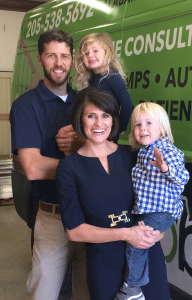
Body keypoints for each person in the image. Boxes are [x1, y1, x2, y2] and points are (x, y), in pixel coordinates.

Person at [56, 87, 171, 300]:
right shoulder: (69, 167)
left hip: (146, 255)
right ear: (80, 120)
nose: (99, 124)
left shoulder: (133, 155)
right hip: (105, 262)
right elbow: (74, 231)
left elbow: (160, 200)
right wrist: (126, 233)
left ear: (113, 120)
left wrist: (158, 232)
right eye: (91, 116)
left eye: (105, 116)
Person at [10, 29, 83, 300]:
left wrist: (79, 151)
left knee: (89, 290)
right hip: (53, 217)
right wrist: (85, 168)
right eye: (51, 55)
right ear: (41, 59)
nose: (59, 63)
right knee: (44, 292)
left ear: (72, 59)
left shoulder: (84, 102)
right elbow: (33, 167)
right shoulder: (26, 106)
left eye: (64, 56)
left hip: (90, 213)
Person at [115, 102, 190, 300]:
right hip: (150, 210)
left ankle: (132, 289)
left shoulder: (166, 151)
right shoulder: (144, 150)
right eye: (138, 125)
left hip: (161, 211)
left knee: (137, 243)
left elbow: (183, 177)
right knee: (142, 243)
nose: (143, 128)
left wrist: (165, 168)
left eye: (149, 123)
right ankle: (137, 285)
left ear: (162, 128)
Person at [74, 32, 133, 139]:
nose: (90, 55)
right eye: (86, 53)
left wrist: (119, 129)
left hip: (107, 132)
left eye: (95, 50)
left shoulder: (112, 76)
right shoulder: (90, 79)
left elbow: (127, 104)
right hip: (93, 131)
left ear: (107, 52)